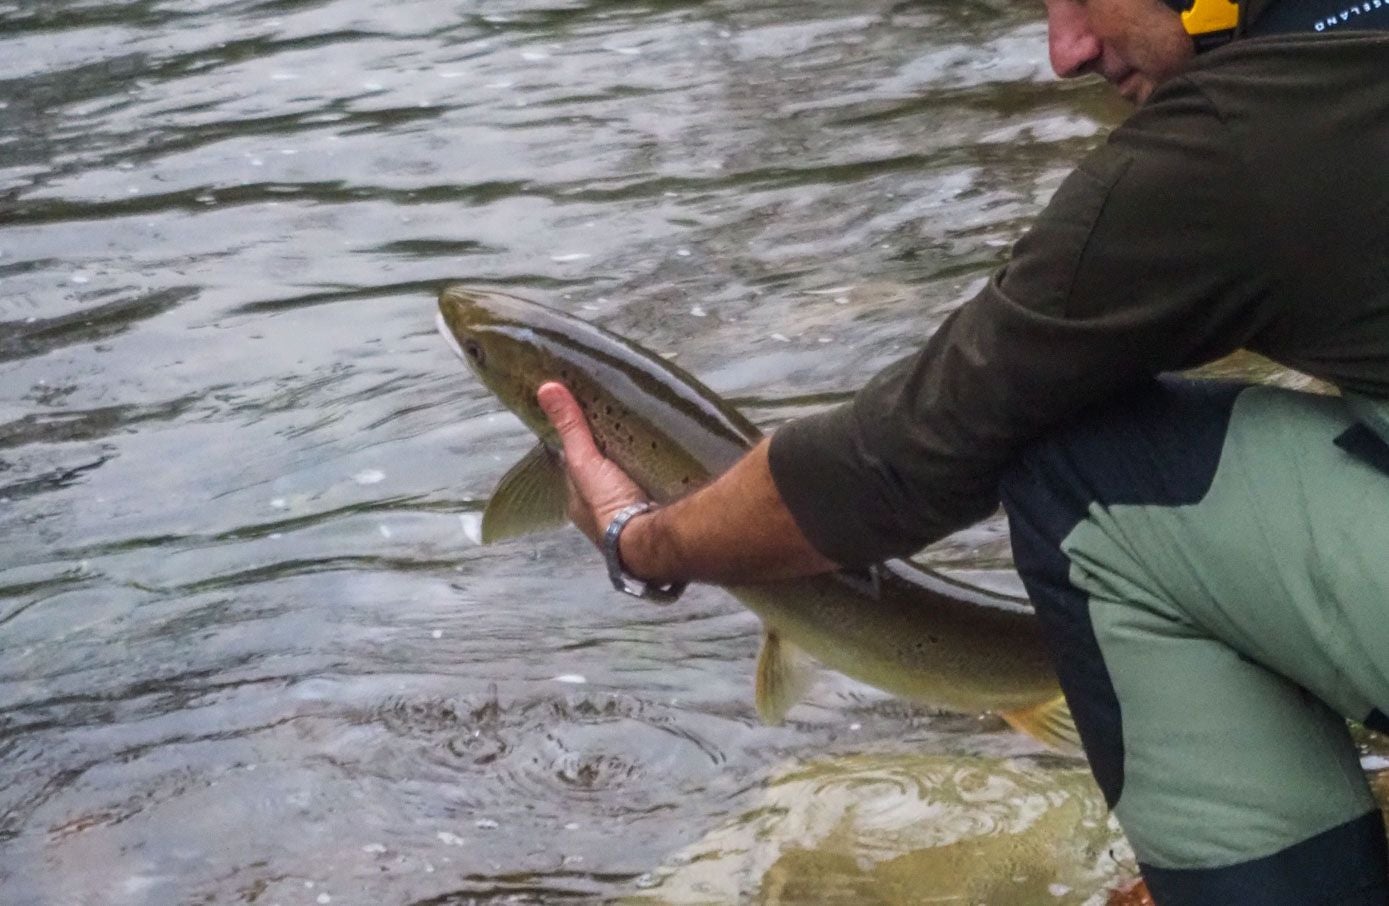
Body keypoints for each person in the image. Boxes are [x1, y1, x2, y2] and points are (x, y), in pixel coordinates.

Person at [534, 0, 1389, 902]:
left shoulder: (1229, 145)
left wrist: (641, 542)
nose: (1066, 52)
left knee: (1083, 471)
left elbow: (897, 462)